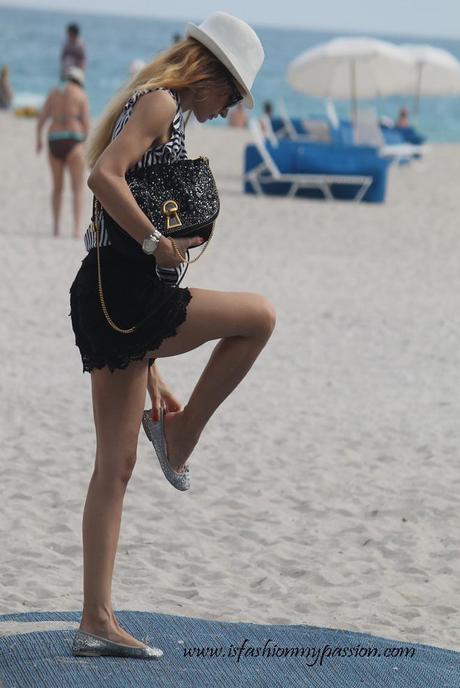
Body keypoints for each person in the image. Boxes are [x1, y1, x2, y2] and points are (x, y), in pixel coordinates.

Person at [69, 11, 274, 660]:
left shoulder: (167, 115)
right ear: (210, 75)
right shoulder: (159, 103)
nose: (231, 108)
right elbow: (102, 175)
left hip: (123, 300)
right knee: (258, 317)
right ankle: (180, 436)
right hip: (124, 295)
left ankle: (96, 621)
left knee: (117, 467)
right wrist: (159, 242)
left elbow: (101, 223)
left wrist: (149, 358)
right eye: (234, 95)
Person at [36, 66, 90, 238]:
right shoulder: (81, 95)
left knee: (57, 188)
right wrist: (86, 147)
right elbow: (87, 124)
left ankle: (56, 228)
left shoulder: (53, 93)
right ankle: (75, 230)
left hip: (54, 140)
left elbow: (41, 119)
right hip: (74, 140)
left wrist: (38, 140)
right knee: (77, 189)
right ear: (79, 81)